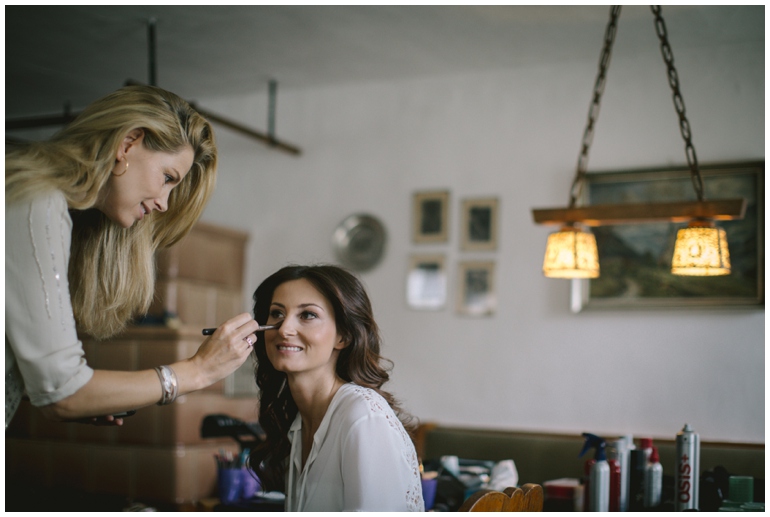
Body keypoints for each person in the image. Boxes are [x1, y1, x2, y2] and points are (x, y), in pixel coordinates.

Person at [5, 84, 262, 429]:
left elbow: (54, 387)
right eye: (167, 177)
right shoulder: (36, 202)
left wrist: (96, 395)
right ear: (128, 143)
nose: (164, 203)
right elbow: (63, 395)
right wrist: (198, 371)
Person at [248, 265, 424, 511]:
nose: (284, 329)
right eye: (276, 313)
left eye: (307, 315)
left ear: (343, 336)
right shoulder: (298, 423)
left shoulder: (363, 415)